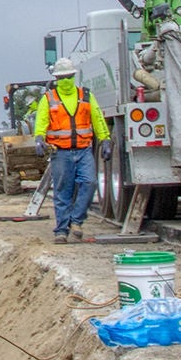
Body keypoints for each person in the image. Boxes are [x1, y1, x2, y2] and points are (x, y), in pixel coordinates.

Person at [31, 58, 111, 243]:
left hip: (83, 150)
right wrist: (39, 138)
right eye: (62, 77)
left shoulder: (85, 96)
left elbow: (97, 118)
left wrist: (105, 139)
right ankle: (61, 230)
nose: (66, 80)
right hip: (61, 152)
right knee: (63, 191)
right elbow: (42, 120)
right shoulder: (49, 98)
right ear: (56, 79)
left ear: (74, 76)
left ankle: (76, 220)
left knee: (89, 183)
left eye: (69, 77)